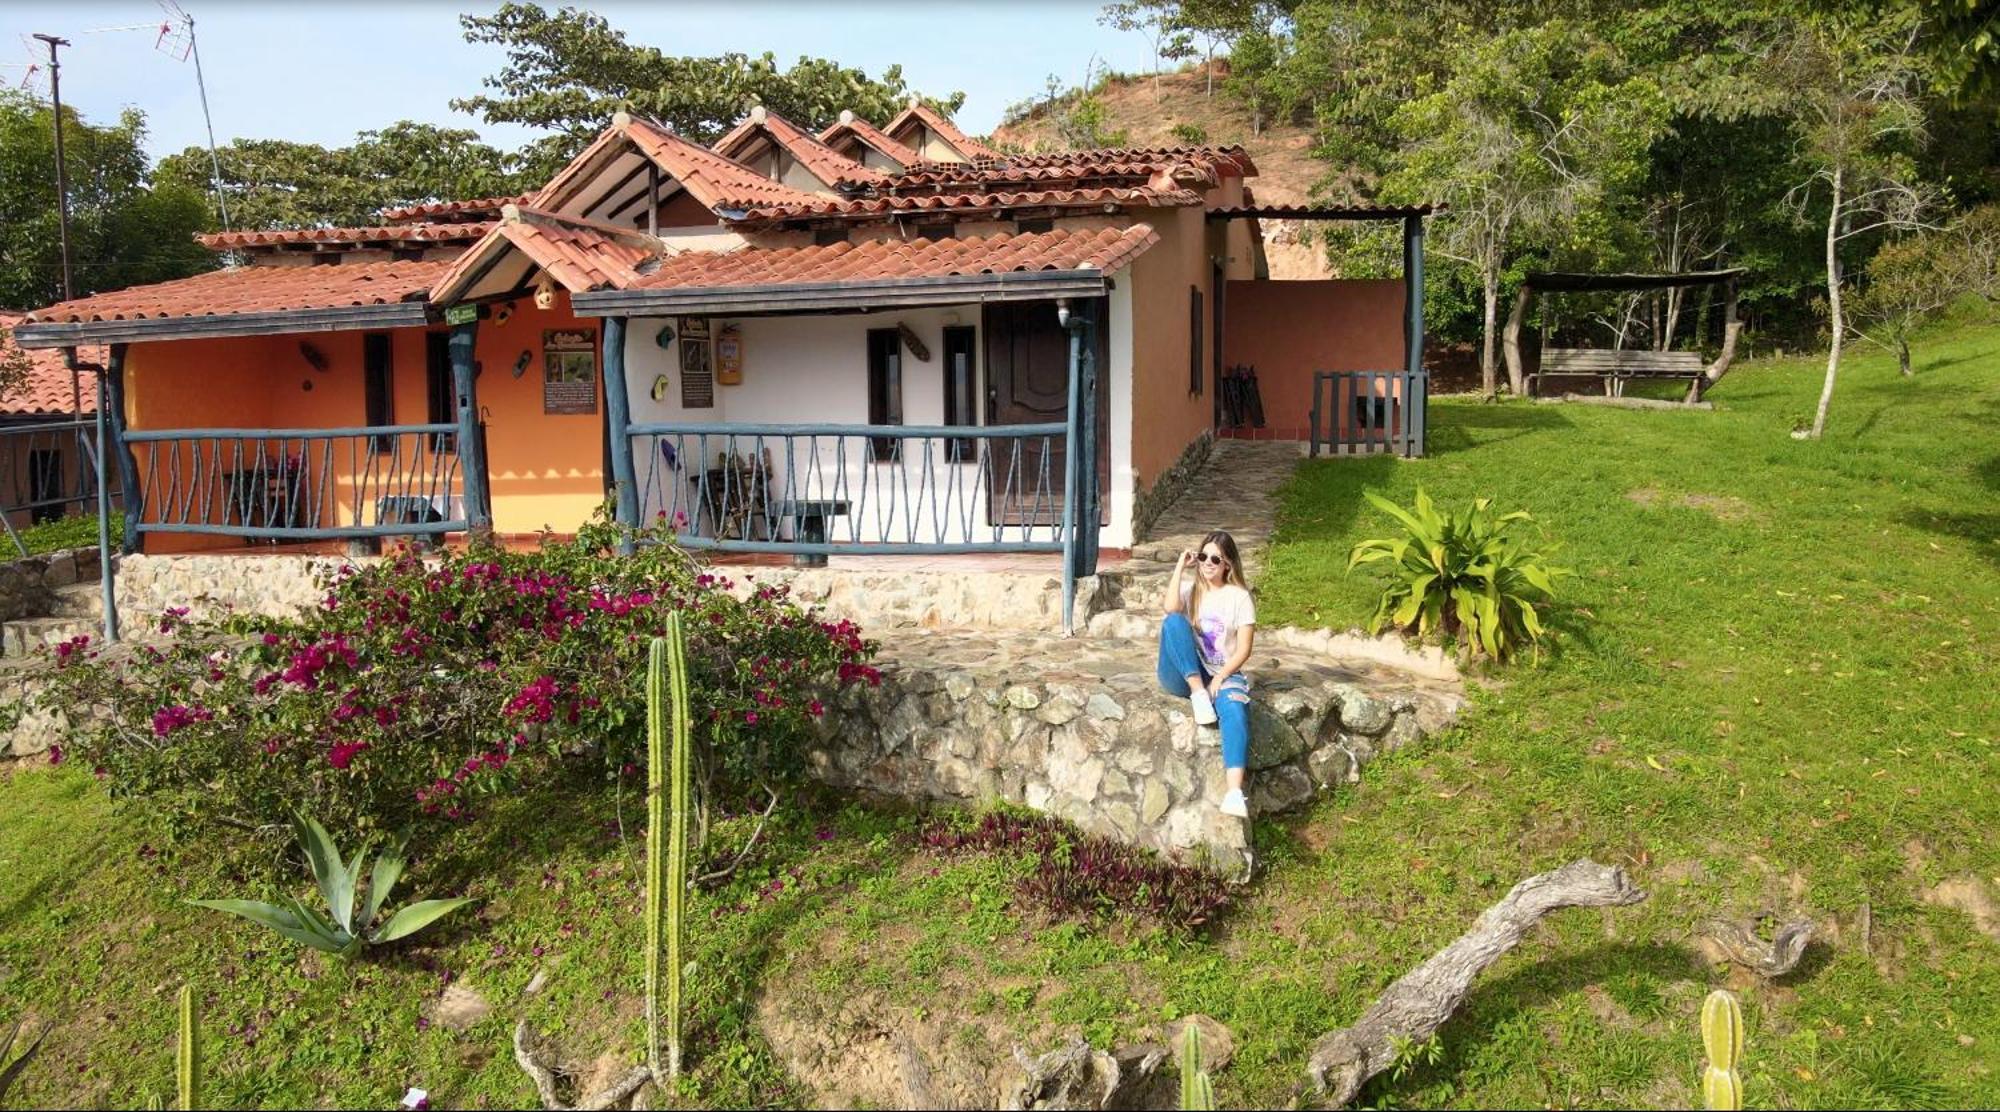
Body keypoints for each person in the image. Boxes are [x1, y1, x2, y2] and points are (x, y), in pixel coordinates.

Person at [1158, 530, 1256, 818]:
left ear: (1228, 564)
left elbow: (1244, 649)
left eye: (1216, 558)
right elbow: (1170, 607)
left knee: (1235, 708)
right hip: (1185, 673)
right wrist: (1180, 566)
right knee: (1173, 621)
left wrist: (1221, 676)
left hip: (1221, 672)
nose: (1208, 563)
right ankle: (1198, 694)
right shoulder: (1192, 592)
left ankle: (1235, 793)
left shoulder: (1239, 598)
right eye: (1203, 557)